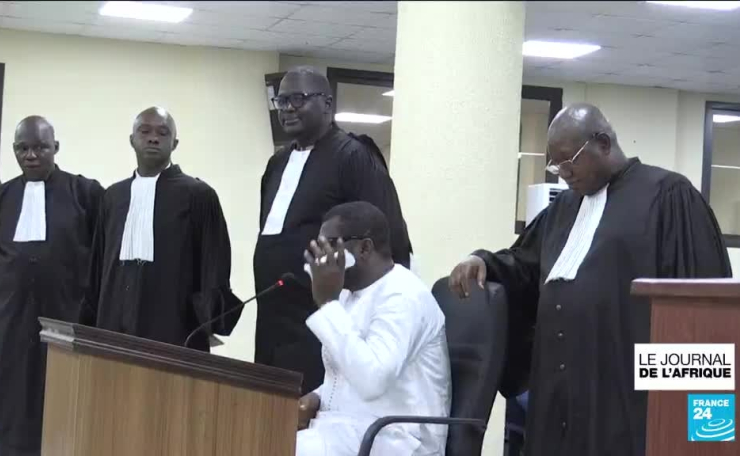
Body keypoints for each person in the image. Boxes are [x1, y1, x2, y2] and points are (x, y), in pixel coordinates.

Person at [448, 103, 732, 456]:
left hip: (627, 392)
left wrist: (702, 430)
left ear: (603, 143)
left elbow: (703, 315)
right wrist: (483, 262)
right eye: (556, 165)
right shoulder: (563, 208)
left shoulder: (668, 196)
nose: (563, 173)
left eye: (570, 161)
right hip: (560, 393)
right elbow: (524, 265)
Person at [254, 66, 413, 393]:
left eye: (299, 99)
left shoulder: (354, 156)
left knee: (313, 407)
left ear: (327, 104)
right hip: (273, 314)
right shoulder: (276, 164)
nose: (288, 108)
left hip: (324, 313)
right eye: (282, 101)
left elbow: (386, 237)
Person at [0, 116, 104, 456]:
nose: (31, 155)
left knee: (61, 380)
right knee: (10, 378)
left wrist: (93, 310)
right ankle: (4, 445)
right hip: (10, 311)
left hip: (67, 308)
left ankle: (63, 446)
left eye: (40, 147)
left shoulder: (85, 193)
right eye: (23, 148)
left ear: (55, 147)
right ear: (14, 150)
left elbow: (100, 255)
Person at [297, 201, 450, 456]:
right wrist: (317, 397)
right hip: (350, 431)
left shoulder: (403, 296)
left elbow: (372, 379)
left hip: (398, 439)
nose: (323, 256)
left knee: (278, 448)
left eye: (331, 244)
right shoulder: (348, 295)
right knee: (264, 436)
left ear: (364, 248)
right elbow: (348, 375)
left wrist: (327, 304)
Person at [81, 107, 239, 351]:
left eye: (163, 133)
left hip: (175, 323)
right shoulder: (112, 196)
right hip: (113, 319)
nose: (153, 138)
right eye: (144, 131)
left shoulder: (199, 195)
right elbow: (97, 267)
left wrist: (207, 320)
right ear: (132, 140)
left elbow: (214, 266)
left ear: (175, 143)